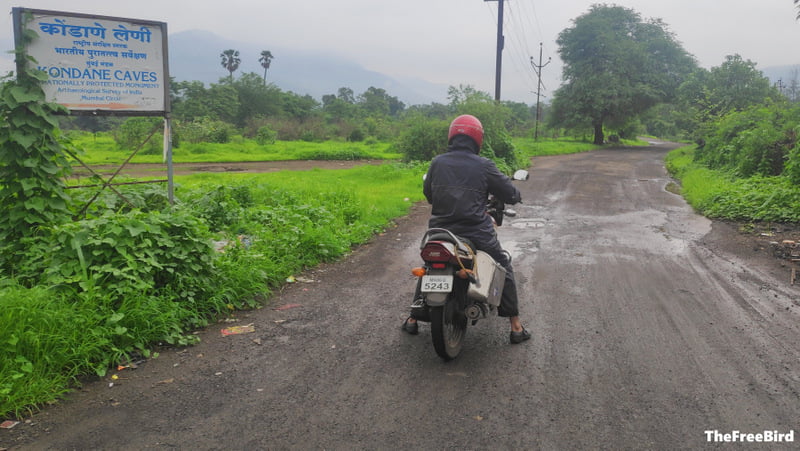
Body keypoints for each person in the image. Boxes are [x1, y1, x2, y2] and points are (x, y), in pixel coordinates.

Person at [402, 114, 531, 344]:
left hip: (440, 231)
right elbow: (509, 193)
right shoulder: (484, 165)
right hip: (476, 232)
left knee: (430, 265)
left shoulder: (437, 162)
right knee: (503, 265)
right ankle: (516, 326)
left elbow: (429, 195)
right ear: (477, 139)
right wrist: (516, 194)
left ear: (452, 135)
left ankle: (412, 319)